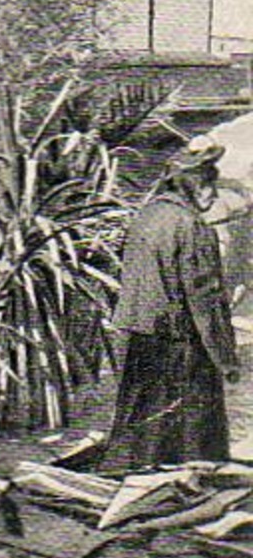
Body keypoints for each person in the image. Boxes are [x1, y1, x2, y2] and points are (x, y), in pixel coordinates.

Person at [105, 138, 240, 471]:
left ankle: (134, 474)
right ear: (198, 186)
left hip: (142, 335)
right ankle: (193, 483)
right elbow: (206, 300)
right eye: (210, 183)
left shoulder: (146, 217)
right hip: (182, 340)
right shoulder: (192, 227)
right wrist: (225, 358)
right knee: (194, 424)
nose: (212, 195)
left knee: (143, 414)